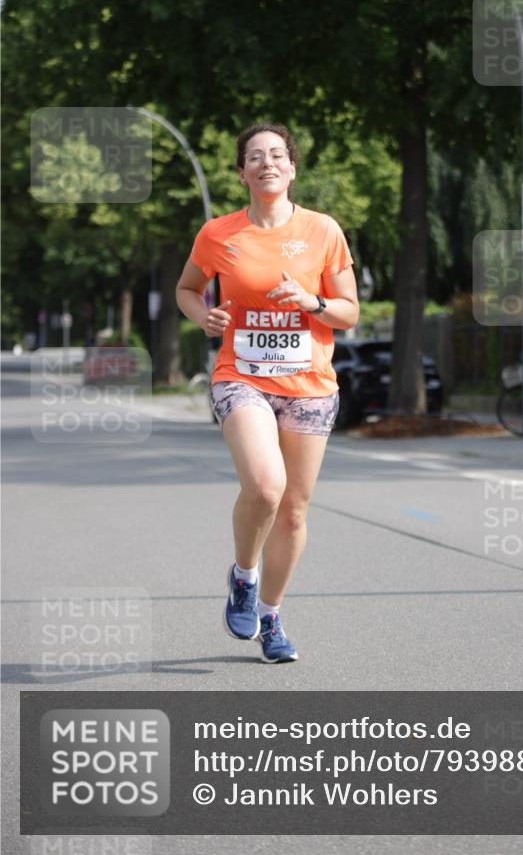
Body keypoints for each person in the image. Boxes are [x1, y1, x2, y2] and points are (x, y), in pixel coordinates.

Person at [175, 123, 359, 663]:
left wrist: (311, 300)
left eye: (277, 155)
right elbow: (187, 288)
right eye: (255, 157)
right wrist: (200, 313)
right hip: (242, 375)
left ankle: (270, 615)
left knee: (295, 512)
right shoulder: (219, 234)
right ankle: (243, 576)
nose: (267, 163)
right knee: (265, 485)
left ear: (292, 167)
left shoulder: (324, 230)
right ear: (241, 173)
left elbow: (348, 312)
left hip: (309, 385)